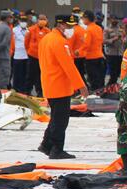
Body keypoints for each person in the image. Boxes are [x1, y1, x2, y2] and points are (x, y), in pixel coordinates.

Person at [38, 14, 88, 159]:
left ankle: (46, 145)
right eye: (70, 26)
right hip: (59, 85)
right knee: (60, 120)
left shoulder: (46, 39)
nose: (72, 29)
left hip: (49, 83)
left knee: (55, 117)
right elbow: (68, 66)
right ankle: (56, 149)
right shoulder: (60, 42)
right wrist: (81, 85)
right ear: (61, 25)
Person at [24, 14, 50, 97]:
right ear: (38, 20)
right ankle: (27, 91)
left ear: (46, 21)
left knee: (41, 75)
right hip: (32, 56)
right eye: (41, 19)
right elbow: (26, 43)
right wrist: (29, 51)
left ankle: (40, 92)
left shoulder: (48, 31)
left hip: (43, 57)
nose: (42, 21)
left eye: (44, 19)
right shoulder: (31, 29)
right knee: (30, 74)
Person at [80, 10, 105, 92]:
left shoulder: (88, 30)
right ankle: (101, 93)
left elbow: (86, 44)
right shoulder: (99, 28)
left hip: (91, 58)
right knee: (99, 77)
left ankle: (95, 94)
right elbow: (101, 41)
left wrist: (78, 51)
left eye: (83, 18)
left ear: (87, 18)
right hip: (100, 56)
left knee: (92, 78)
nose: (82, 20)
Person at [69, 8, 87, 87]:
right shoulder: (83, 30)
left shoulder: (73, 31)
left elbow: (70, 45)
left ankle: (80, 88)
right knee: (81, 73)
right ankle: (85, 86)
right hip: (83, 55)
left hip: (75, 56)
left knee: (77, 74)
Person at [104, 15, 124, 86]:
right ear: (110, 20)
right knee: (113, 73)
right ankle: (109, 87)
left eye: (116, 19)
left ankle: (113, 87)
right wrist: (114, 39)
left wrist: (123, 40)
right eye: (113, 19)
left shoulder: (120, 29)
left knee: (118, 72)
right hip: (111, 54)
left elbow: (123, 39)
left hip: (120, 53)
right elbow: (104, 41)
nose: (115, 21)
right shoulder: (107, 29)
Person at [12, 14, 29, 94]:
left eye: (25, 21)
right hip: (18, 56)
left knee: (25, 74)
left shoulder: (28, 30)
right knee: (17, 74)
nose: (24, 22)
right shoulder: (14, 30)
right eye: (22, 21)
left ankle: (23, 90)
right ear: (19, 21)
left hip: (26, 56)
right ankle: (16, 89)